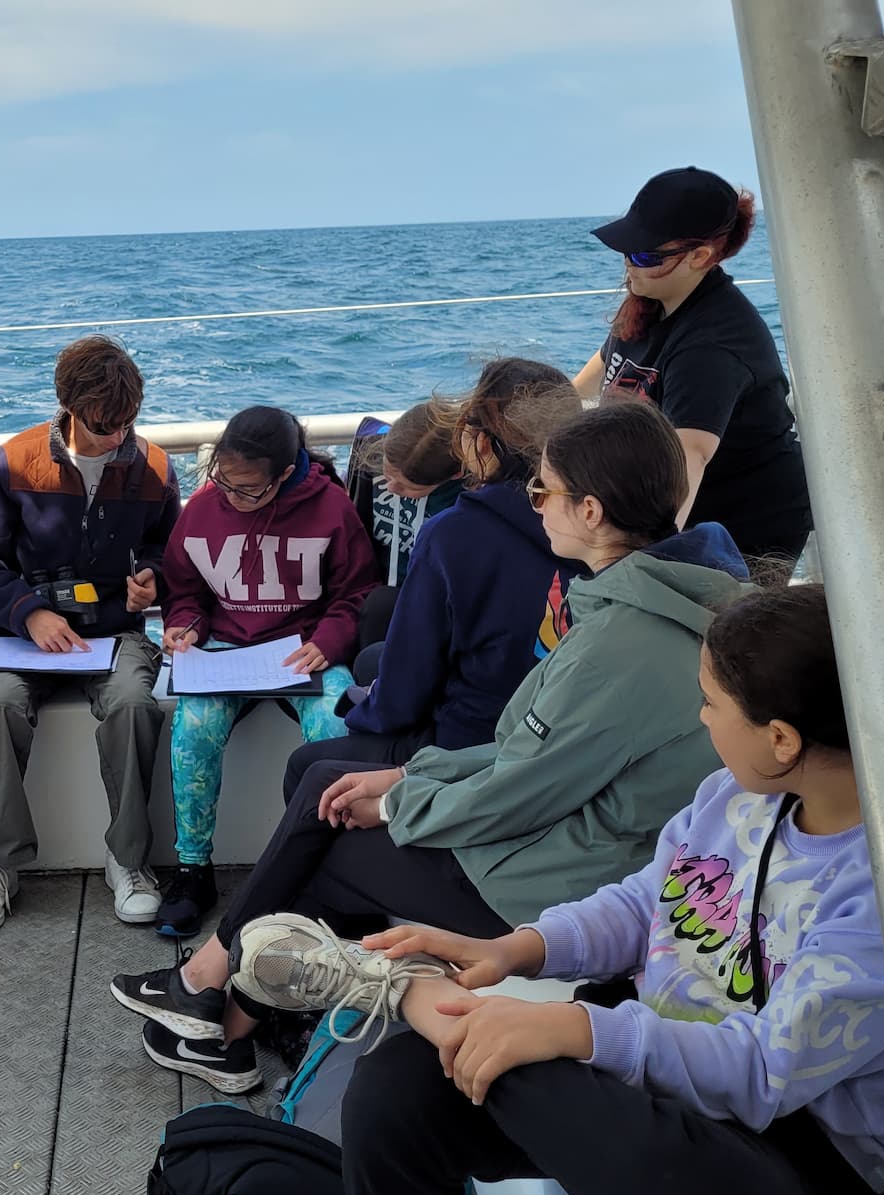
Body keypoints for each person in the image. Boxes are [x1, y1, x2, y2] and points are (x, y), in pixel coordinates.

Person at [228, 584, 884, 1195]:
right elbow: (647, 900)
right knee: (398, 1085)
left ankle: (408, 991)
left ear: (781, 738)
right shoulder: (737, 795)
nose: (701, 720)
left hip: (768, 1182)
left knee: (506, 1058)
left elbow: (765, 1071)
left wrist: (575, 1027)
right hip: (637, 1101)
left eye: (712, 704)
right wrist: (515, 951)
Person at [110, 401, 750, 1093]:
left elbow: (522, 791)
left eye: (545, 491)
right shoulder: (673, 595)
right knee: (330, 784)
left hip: (559, 880)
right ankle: (232, 1010)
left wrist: (398, 803)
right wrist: (408, 777)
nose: (534, 505)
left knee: (325, 833)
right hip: (573, 841)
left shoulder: (623, 643)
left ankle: (216, 1003)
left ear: (591, 511)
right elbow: (528, 756)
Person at [0, 334, 183, 934]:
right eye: (107, 426)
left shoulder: (154, 466)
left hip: (116, 632)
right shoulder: (14, 460)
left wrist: (152, 579)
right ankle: (0, 864)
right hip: (21, 634)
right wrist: (30, 611)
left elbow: (170, 549)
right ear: (70, 407)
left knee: (135, 704)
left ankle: (128, 860)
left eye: (129, 424)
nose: (119, 439)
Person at [289, 359, 577, 799]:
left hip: (474, 745)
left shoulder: (454, 534)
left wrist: (359, 707)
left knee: (308, 769)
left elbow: (405, 694)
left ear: (479, 443)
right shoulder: (595, 522)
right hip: (563, 737)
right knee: (373, 660)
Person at [153, 407, 377, 937]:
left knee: (339, 727)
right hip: (228, 648)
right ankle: (192, 869)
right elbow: (184, 590)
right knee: (194, 728)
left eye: (249, 489)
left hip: (303, 648)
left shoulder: (332, 509)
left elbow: (356, 593)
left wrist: (330, 639)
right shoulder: (205, 508)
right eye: (223, 481)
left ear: (285, 472)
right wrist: (185, 625)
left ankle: (338, 873)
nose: (232, 497)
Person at [574, 166, 812, 574]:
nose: (630, 264)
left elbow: (690, 454)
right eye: (626, 249)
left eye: (646, 255)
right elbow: (590, 380)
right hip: (666, 495)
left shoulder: (714, 342)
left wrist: (641, 566)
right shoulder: (651, 301)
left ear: (701, 256)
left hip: (740, 526)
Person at [344, 401, 465, 674]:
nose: (390, 488)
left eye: (408, 486)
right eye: (387, 475)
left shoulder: (468, 503)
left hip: (437, 609)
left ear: (456, 474)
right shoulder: (372, 459)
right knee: (379, 605)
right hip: (380, 599)